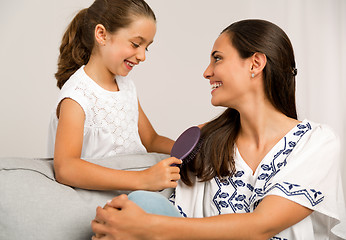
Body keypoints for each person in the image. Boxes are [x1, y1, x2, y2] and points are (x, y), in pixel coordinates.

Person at [91, 19, 346, 239]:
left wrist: (146, 227)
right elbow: (153, 148)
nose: (207, 72)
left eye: (218, 59)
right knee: (138, 202)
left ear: (255, 64)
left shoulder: (316, 142)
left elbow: (261, 227)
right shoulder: (203, 139)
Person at [47, 0, 181, 191]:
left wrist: (189, 150)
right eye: (136, 44)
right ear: (101, 35)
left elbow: (150, 140)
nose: (142, 56)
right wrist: (142, 179)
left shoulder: (126, 86)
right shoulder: (77, 96)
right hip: (96, 201)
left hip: (131, 195)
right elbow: (66, 168)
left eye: (146, 47)